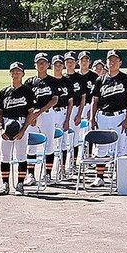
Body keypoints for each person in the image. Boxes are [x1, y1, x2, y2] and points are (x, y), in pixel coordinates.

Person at [87, 50, 127, 189]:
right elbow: (95, 101)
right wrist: (92, 118)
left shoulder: (126, 79)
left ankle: (118, 175)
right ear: (106, 62)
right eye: (110, 60)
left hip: (119, 116)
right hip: (102, 115)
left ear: (120, 62)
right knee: (101, 148)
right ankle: (100, 177)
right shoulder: (100, 80)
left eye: (115, 60)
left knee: (120, 147)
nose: (112, 62)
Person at [0, 61, 34, 195]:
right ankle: (5, 185)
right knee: (5, 156)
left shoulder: (28, 92)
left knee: (21, 156)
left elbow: (30, 113)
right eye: (13, 71)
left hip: (21, 123)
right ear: (10, 73)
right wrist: (1, 129)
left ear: (23, 74)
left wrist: (23, 130)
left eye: (18, 71)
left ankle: (20, 184)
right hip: (7, 124)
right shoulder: (4, 92)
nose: (15, 74)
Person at [25, 52, 59, 185]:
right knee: (31, 145)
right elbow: (26, 101)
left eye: (44, 62)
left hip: (47, 115)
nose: (41, 64)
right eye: (39, 62)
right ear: (35, 65)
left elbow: (54, 100)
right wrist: (31, 115)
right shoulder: (29, 82)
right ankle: (31, 175)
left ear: (48, 65)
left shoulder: (53, 81)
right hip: (32, 116)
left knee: (49, 144)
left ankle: (48, 174)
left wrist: (39, 112)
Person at [47, 55, 74, 183]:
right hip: (50, 112)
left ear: (63, 66)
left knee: (63, 142)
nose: (58, 67)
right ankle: (48, 171)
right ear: (51, 66)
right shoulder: (49, 81)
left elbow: (70, 102)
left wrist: (68, 119)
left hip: (63, 112)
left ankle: (62, 168)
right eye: (55, 65)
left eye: (60, 65)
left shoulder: (67, 82)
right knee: (49, 143)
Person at [63, 52, 88, 175]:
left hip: (76, 109)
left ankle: (73, 164)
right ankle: (62, 166)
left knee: (75, 139)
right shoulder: (61, 78)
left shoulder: (80, 78)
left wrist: (79, 114)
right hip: (63, 110)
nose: (70, 63)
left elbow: (83, 97)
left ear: (76, 63)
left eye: (72, 61)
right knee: (63, 140)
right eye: (68, 61)